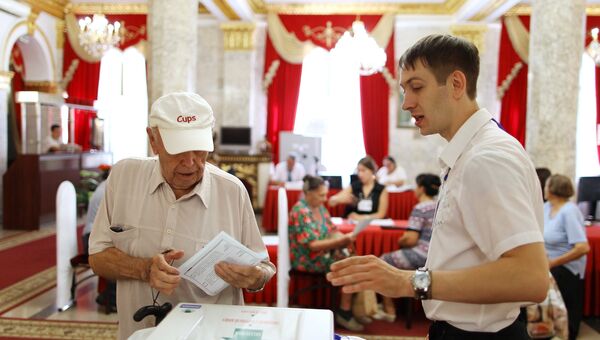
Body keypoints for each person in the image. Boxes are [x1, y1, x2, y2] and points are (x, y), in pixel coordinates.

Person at [327, 34, 549, 339]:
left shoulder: (486, 159)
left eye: (417, 87)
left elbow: (531, 278)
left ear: (457, 84)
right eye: (405, 90)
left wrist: (409, 282)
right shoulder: (470, 153)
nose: (406, 103)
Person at [88, 92, 276, 339]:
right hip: (140, 333)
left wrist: (255, 277)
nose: (190, 161)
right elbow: (97, 257)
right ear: (153, 140)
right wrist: (144, 269)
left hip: (211, 334)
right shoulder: (124, 177)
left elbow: (263, 267)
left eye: (199, 149)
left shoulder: (232, 191)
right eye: (178, 149)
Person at [288, 175, 362, 331]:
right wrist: (340, 242)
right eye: (321, 195)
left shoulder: (319, 208)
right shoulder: (300, 211)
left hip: (323, 254)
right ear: (309, 193)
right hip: (307, 259)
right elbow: (313, 246)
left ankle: (349, 309)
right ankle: (344, 312)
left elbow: (332, 229)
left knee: (356, 261)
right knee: (349, 265)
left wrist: (344, 239)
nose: (325, 198)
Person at [375, 173, 440, 322]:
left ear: (422, 188)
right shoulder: (440, 205)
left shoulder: (420, 208)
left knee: (384, 261)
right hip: (436, 254)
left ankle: (389, 309)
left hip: (422, 254)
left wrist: (401, 240)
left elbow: (410, 240)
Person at [543, 174, 590, 340]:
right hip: (548, 262)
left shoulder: (569, 211)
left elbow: (583, 248)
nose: (544, 188)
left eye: (546, 185)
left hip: (566, 267)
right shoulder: (546, 207)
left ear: (553, 189)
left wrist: (552, 262)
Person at [81, 164, 115, 311]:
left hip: (96, 235)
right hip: (92, 238)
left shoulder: (106, 186)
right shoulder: (107, 190)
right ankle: (111, 298)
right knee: (123, 255)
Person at [328, 156, 389, 221]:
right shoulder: (354, 186)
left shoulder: (381, 189)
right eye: (358, 171)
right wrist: (338, 199)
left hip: (373, 223)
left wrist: (362, 217)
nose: (360, 174)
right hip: (354, 224)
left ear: (372, 170)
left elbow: (381, 214)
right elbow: (331, 202)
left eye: (363, 170)